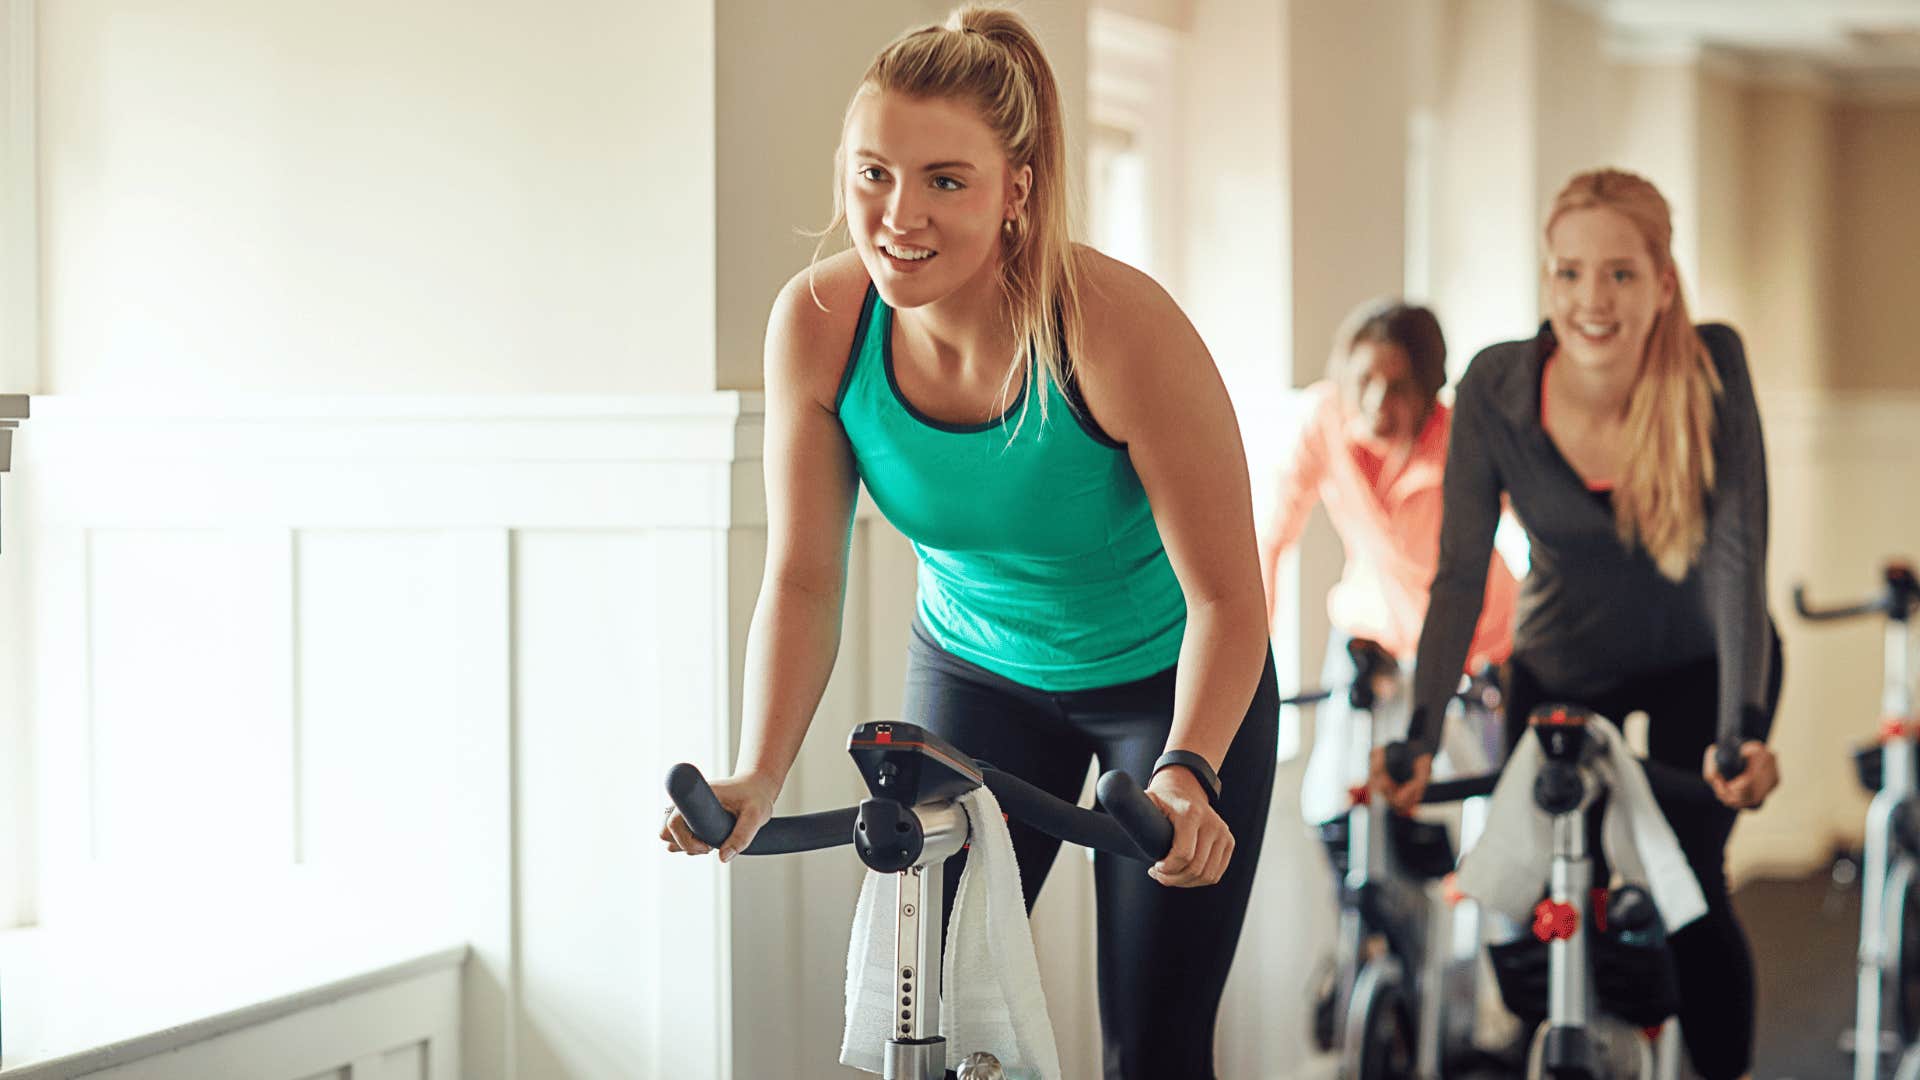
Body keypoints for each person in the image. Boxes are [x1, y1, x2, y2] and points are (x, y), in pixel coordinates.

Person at [660, 7, 1276, 1076]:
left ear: (1016, 190)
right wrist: (759, 772)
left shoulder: (1114, 329)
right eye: (873, 174)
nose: (899, 215)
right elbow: (805, 576)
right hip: (977, 672)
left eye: (946, 180)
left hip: (1167, 687)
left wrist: (1189, 771)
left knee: (1153, 1043)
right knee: (926, 1019)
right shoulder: (816, 324)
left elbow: (1229, 598)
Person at [1376, 168, 1783, 1080]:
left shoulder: (1712, 366)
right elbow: (1460, 571)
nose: (1591, 301)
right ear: (1547, 280)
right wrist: (1420, 733)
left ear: (1663, 282)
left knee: (1687, 892)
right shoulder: (1499, 384)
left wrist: (1739, 732)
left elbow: (1736, 557)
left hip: (1704, 665)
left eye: (1620, 275)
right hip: (1563, 669)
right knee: (1542, 895)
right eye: (1568, 274)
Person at [1259, 298, 1519, 825]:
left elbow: (1541, 526)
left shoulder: (1462, 438)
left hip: (1476, 639)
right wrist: (1250, 663)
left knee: (1496, 821)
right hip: (1370, 631)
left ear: (1430, 387)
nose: (1377, 401)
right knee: (1335, 809)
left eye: (1399, 387)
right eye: (1365, 380)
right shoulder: (1325, 422)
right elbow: (1270, 538)